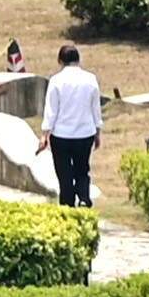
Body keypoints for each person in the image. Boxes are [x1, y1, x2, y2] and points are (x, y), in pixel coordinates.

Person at [40, 40, 107, 210]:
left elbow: (51, 110)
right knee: (82, 169)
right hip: (85, 134)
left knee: (64, 174)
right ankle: (84, 198)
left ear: (60, 61)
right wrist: (98, 132)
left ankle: (68, 204)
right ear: (78, 60)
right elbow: (95, 108)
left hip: (61, 135)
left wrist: (45, 134)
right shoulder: (90, 79)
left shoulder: (56, 80)